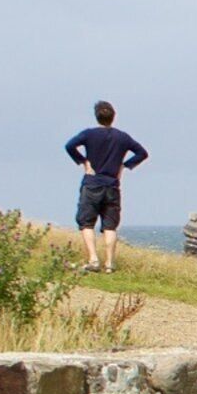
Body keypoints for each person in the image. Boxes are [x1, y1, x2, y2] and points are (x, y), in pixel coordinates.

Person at [64, 102, 148, 273]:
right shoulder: (122, 137)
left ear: (97, 116)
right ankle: (109, 263)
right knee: (110, 226)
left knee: (86, 222)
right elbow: (142, 153)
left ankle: (93, 259)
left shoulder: (89, 134)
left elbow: (69, 146)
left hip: (92, 183)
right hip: (112, 185)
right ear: (113, 117)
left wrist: (83, 161)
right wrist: (124, 166)